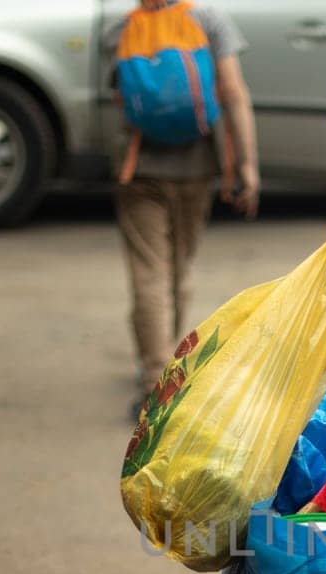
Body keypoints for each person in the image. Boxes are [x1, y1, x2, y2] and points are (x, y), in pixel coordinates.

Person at [104, 0, 260, 411]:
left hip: (140, 168)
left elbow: (122, 103)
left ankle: (154, 381)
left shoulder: (120, 30)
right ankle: (166, 368)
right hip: (198, 165)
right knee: (179, 265)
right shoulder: (208, 20)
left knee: (148, 272)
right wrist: (246, 164)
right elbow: (233, 93)